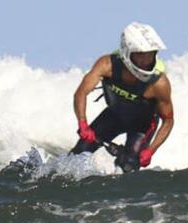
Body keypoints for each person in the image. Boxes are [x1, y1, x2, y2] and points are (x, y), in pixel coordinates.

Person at [70, 23, 175, 172]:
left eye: (150, 53)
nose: (146, 60)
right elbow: (81, 93)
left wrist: (151, 150)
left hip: (142, 127)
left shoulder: (159, 84)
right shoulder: (107, 65)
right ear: (126, 51)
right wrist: (82, 123)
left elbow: (168, 120)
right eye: (140, 54)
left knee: (127, 167)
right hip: (114, 116)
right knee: (76, 157)